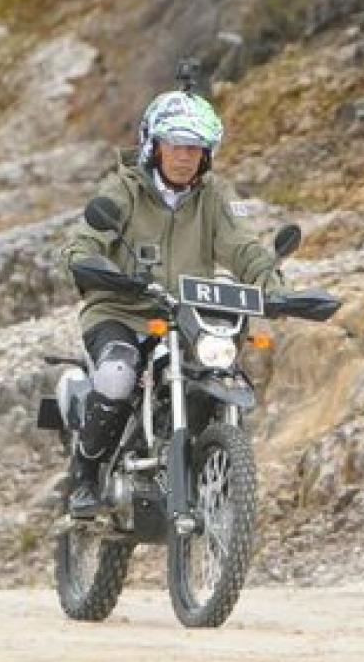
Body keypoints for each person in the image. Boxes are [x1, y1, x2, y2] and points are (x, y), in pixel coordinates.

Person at [60, 87, 283, 518]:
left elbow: (242, 246)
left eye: (196, 148)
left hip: (185, 315)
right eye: (176, 145)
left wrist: (271, 284)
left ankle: (203, 463)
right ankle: (84, 474)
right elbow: (84, 243)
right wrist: (91, 264)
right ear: (154, 145)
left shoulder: (215, 195)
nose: (185, 156)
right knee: (117, 374)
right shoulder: (122, 189)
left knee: (219, 369)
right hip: (120, 312)